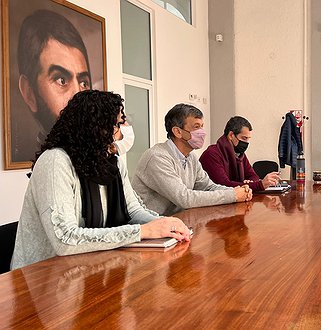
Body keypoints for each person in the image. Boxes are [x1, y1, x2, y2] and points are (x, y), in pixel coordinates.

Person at [11, 90, 191, 270]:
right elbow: (64, 239)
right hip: (40, 277)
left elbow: (133, 210)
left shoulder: (112, 160)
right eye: (117, 125)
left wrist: (165, 224)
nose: (120, 133)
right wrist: (142, 231)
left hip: (89, 266)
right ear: (94, 127)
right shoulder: (55, 161)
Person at [132, 104, 252, 215]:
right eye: (196, 127)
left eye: (202, 127)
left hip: (179, 221)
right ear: (178, 132)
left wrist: (239, 191)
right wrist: (232, 195)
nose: (202, 133)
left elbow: (208, 186)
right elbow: (185, 198)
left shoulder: (191, 157)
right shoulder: (157, 157)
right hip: (152, 228)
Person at [15, 10, 92, 162]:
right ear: (29, 92)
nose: (79, 96)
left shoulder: (91, 157)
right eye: (61, 80)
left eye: (83, 83)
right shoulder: (51, 163)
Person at [199, 116, 280, 191]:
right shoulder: (212, 154)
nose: (246, 142)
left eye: (248, 139)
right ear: (231, 135)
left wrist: (250, 183)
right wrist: (259, 185)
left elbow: (253, 176)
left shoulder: (239, 154)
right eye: (244, 138)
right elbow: (224, 185)